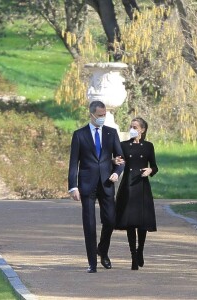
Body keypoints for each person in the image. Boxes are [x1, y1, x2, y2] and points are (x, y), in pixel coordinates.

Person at [68, 100, 124, 273]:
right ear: (91, 115)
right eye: (99, 115)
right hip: (87, 184)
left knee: (111, 220)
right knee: (89, 224)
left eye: (104, 115)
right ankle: (92, 263)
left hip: (106, 183)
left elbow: (120, 159)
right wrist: (73, 186)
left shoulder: (111, 133)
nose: (102, 118)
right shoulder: (79, 135)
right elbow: (73, 164)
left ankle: (102, 250)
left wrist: (117, 171)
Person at [115, 117, 158, 270]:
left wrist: (150, 170)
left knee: (142, 223)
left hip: (142, 185)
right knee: (130, 223)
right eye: (131, 126)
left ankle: (140, 250)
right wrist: (115, 162)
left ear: (142, 129)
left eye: (135, 127)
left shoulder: (148, 146)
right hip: (128, 185)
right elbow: (118, 161)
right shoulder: (123, 145)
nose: (132, 129)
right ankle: (133, 255)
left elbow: (154, 166)